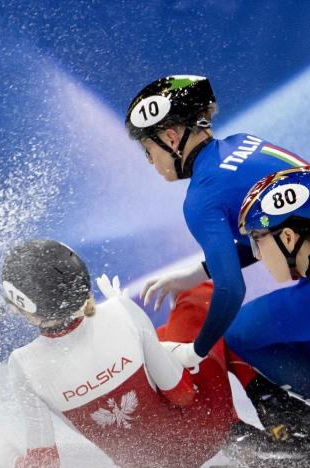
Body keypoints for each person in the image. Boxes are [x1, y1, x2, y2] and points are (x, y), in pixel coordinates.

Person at [2, 240, 307, 468]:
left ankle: (250, 425)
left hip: (144, 467)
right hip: (205, 431)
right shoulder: (120, 311)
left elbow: (44, 463)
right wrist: (177, 351)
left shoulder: (22, 364)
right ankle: (273, 408)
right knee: (205, 299)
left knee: (160, 337)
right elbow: (183, 393)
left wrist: (1, 462)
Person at [125, 74, 310, 439]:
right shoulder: (246, 143)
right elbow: (288, 225)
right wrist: (200, 271)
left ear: (172, 137)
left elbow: (230, 290)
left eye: (148, 151)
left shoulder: (202, 196)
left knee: (236, 332)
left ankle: (293, 420)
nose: (151, 163)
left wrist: (197, 350)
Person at [236, 166, 310, 397]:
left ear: (288, 237)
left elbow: (238, 332)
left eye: (258, 240)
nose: (257, 255)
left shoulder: (301, 304)